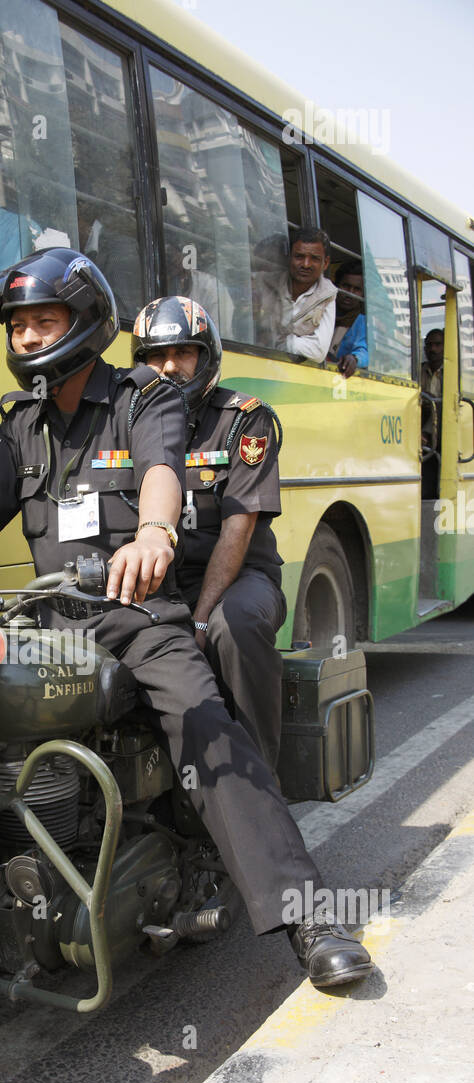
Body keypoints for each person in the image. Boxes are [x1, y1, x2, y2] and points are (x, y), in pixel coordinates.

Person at [0, 248, 372, 990]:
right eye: (18, 325)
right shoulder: (24, 424)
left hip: (136, 617)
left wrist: (155, 533)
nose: (28, 337)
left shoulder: (144, 399)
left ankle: (309, 914)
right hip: (51, 624)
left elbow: (162, 469)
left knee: (207, 732)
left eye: (44, 321)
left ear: (86, 322)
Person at [132, 295, 287, 773]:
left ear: (207, 356)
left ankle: (258, 780)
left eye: (183, 352)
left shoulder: (244, 419)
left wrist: (199, 619)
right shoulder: (129, 419)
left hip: (240, 577)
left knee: (232, 627)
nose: (170, 366)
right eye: (156, 356)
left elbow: (237, 530)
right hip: (164, 580)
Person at [255, 226, 336, 362]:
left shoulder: (328, 294)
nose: (306, 264)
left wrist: (279, 341)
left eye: (314, 258)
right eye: (299, 256)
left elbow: (318, 351)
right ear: (289, 258)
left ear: (325, 263)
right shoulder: (265, 281)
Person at [328, 261, 368, 378]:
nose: (350, 293)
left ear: (363, 294)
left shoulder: (363, 322)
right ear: (336, 286)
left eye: (356, 289)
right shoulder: (324, 310)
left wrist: (354, 359)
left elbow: (364, 351)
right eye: (345, 286)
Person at [420, 328, 444, 498]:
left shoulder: (452, 372)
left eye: (437, 345)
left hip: (442, 426)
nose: (433, 349)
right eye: (429, 345)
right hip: (421, 418)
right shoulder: (419, 370)